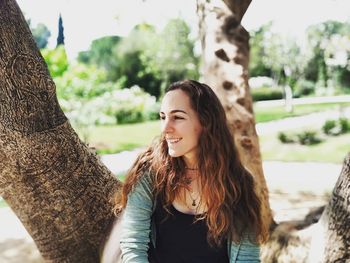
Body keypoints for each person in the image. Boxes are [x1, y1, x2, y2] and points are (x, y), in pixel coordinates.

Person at [114, 79, 268, 262]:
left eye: (177, 117)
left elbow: (247, 259)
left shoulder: (237, 182)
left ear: (205, 122)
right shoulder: (150, 173)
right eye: (163, 117)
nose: (165, 128)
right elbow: (133, 245)